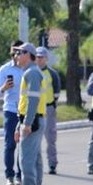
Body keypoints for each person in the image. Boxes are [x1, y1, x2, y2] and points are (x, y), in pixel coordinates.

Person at [12, 42, 45, 185]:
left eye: (19, 53)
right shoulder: (31, 72)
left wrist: (27, 123)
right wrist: (21, 124)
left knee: (26, 160)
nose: (16, 56)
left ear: (28, 54)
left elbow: (33, 100)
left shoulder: (32, 73)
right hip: (31, 119)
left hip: (33, 120)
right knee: (35, 160)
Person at [0, 41, 24, 185]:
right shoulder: (4, 69)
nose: (17, 54)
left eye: (20, 51)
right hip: (11, 110)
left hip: (25, 111)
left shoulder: (29, 69)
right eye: (15, 51)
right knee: (10, 144)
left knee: (23, 146)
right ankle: (9, 176)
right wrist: (4, 88)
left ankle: (20, 175)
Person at [36, 46, 61, 174]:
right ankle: (36, 165)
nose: (39, 60)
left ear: (46, 58)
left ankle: (52, 164)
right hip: (35, 110)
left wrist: (52, 106)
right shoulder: (31, 72)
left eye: (41, 57)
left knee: (50, 138)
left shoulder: (52, 73)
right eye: (37, 57)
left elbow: (57, 92)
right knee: (35, 139)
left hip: (48, 108)